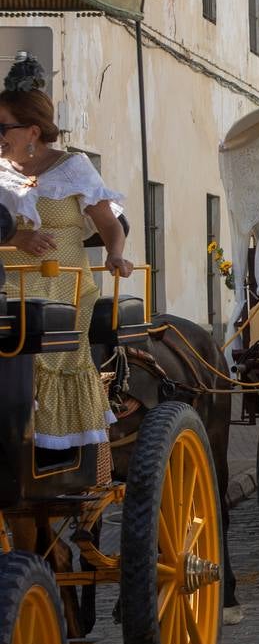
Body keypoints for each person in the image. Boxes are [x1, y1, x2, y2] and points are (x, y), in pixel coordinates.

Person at [0, 52, 131, 455]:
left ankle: (47, 430)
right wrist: (16, 242)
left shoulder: (74, 168)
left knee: (32, 316)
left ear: (33, 131)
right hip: (7, 276)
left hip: (63, 280)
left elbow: (110, 224)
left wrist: (115, 254)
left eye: (3, 126)